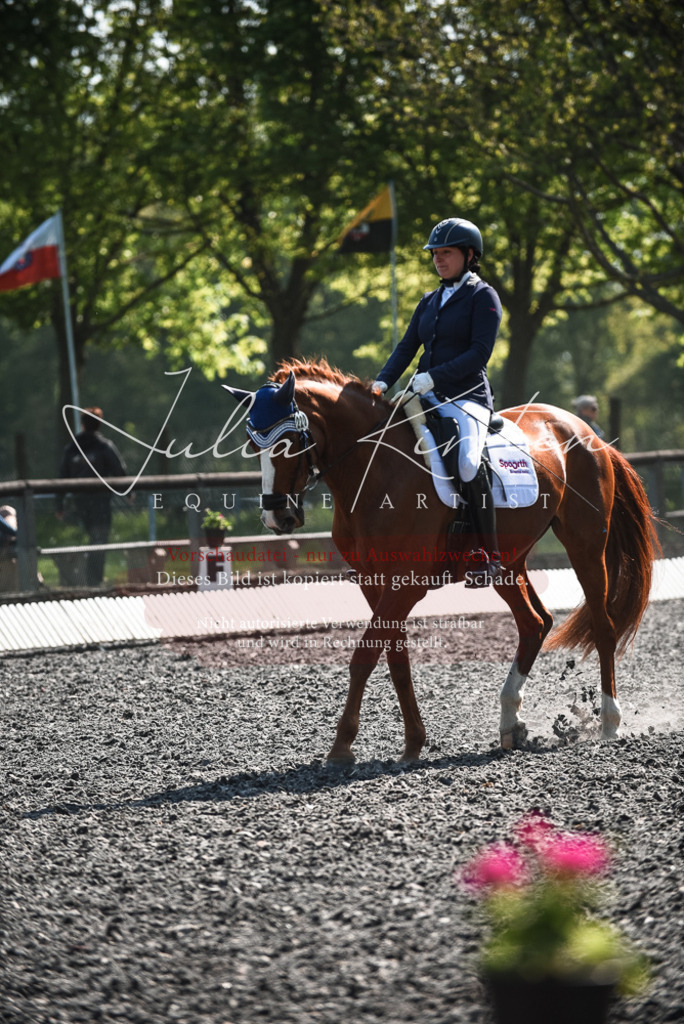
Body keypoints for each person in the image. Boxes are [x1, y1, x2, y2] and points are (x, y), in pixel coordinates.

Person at [371, 217, 503, 587]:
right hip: (424, 395)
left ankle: (488, 554)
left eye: (446, 253)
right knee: (385, 447)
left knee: (464, 464)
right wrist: (381, 383)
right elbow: (407, 347)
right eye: (435, 254)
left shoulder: (483, 297)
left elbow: (479, 353)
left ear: (469, 254)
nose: (439, 260)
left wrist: (436, 376)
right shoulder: (429, 300)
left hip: (467, 398)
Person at [55, 407, 127, 587]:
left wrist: (59, 504)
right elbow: (119, 470)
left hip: (78, 502)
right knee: (99, 538)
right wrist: (129, 491)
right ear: (99, 424)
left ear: (83, 424)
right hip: (100, 501)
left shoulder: (72, 447)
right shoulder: (104, 446)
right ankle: (93, 579)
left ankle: (83, 578)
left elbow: (63, 476)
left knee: (89, 537)